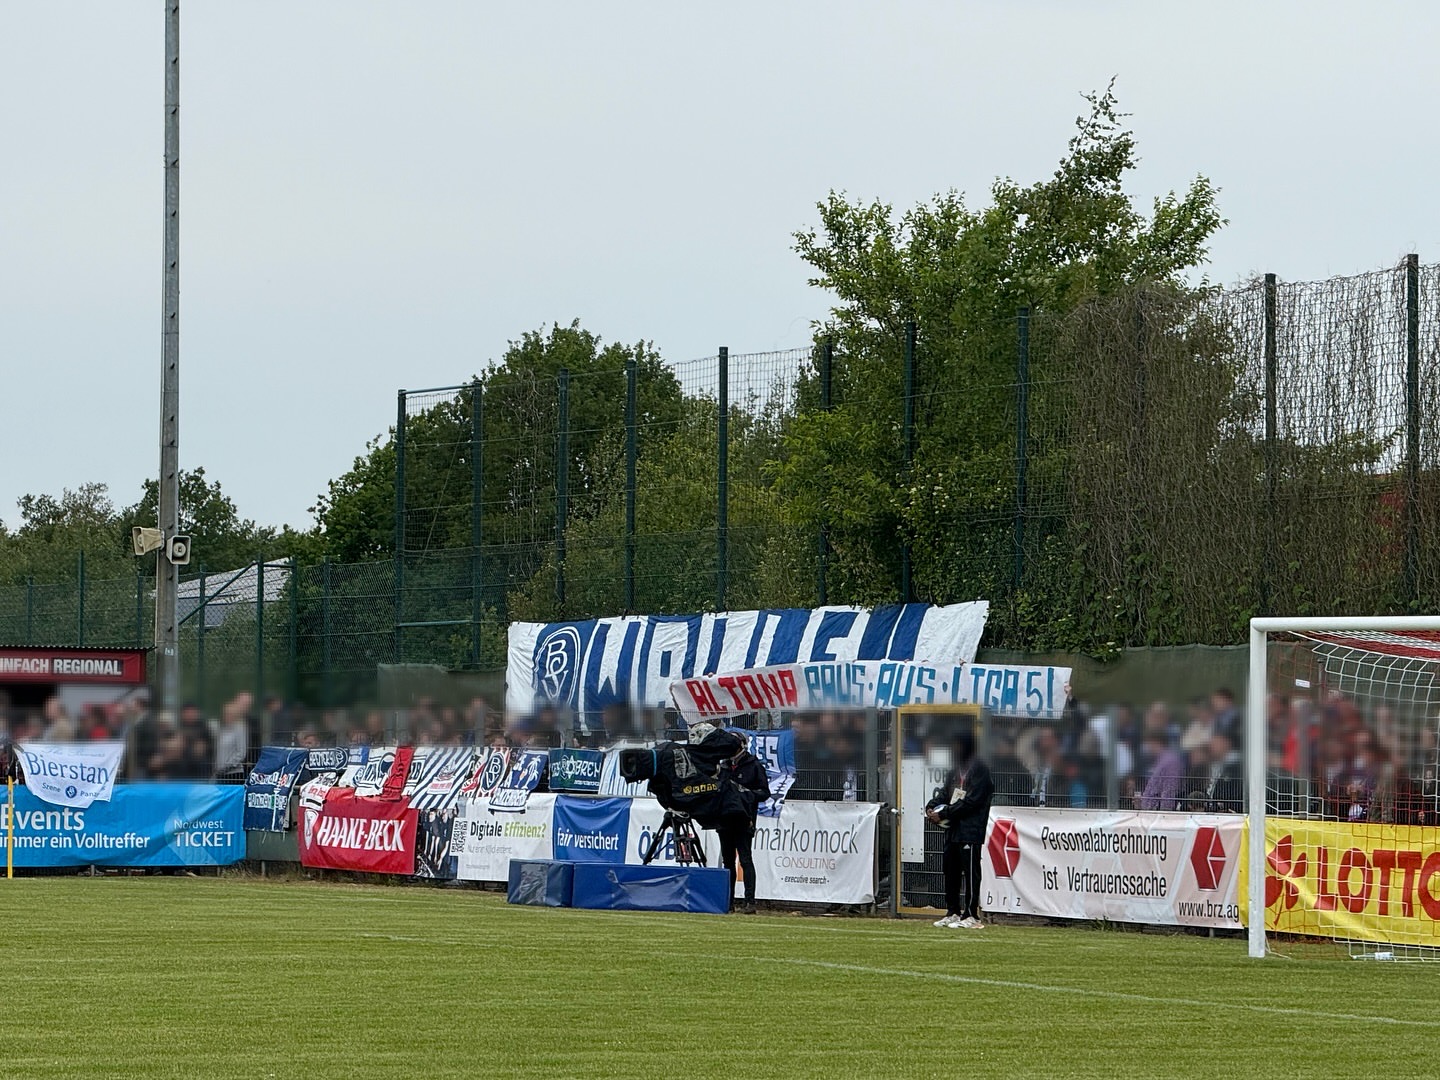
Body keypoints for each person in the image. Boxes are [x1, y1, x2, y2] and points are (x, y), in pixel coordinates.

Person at [926, 729, 995, 929]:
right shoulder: (954, 770)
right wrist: (932, 807)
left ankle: (971, 914)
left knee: (971, 872)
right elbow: (944, 794)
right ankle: (953, 911)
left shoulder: (981, 770)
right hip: (953, 830)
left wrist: (945, 812)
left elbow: (972, 801)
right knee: (951, 871)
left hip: (970, 830)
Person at [717, 731, 770, 915]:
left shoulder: (753, 765)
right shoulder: (722, 766)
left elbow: (764, 792)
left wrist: (745, 794)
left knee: (745, 859)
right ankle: (728, 901)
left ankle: (749, 901)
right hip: (724, 819)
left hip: (743, 819)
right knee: (728, 862)